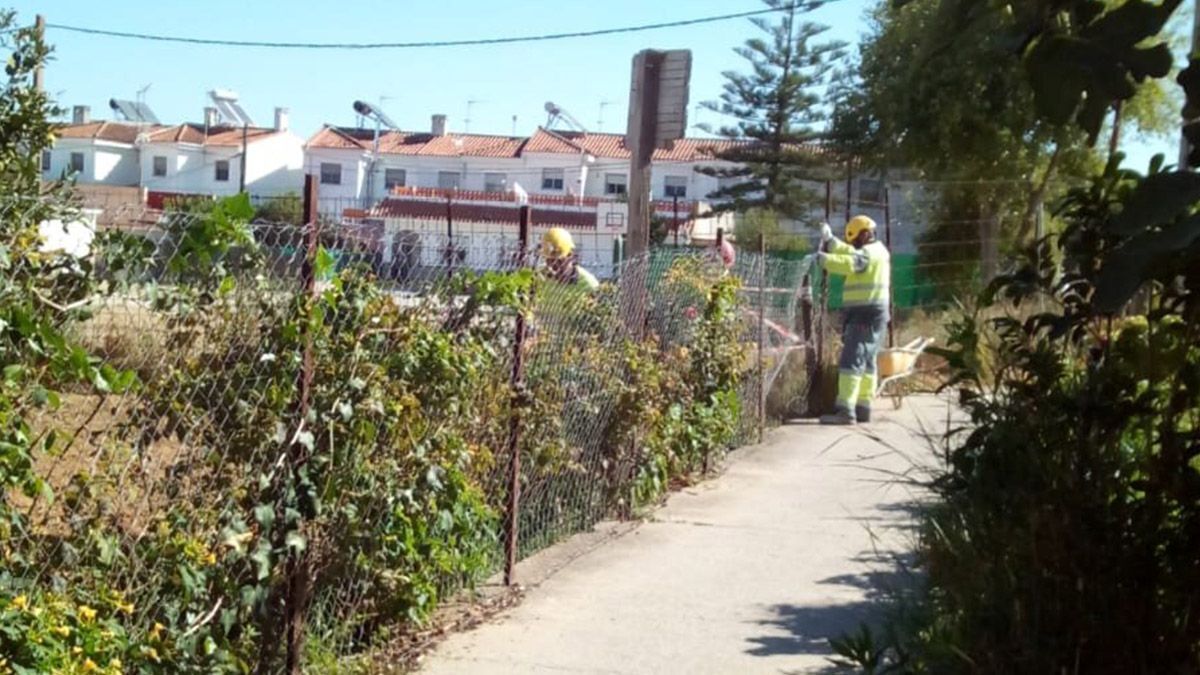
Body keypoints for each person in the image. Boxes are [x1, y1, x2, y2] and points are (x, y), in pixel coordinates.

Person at [816, 215, 891, 425]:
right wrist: (830, 241)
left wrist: (823, 260)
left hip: (864, 313)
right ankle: (863, 406)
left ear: (865, 234)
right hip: (875, 312)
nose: (854, 244)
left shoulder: (867, 254)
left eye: (856, 239)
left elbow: (850, 263)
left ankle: (845, 411)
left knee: (852, 359)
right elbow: (850, 252)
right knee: (867, 360)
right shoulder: (878, 250)